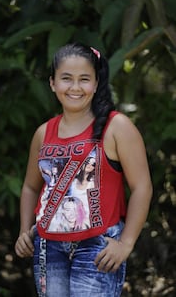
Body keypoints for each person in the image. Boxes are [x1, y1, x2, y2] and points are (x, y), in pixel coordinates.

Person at [14, 43, 152, 296]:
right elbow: (31, 187)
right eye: (66, 79)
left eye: (84, 79)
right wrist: (25, 230)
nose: (75, 87)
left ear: (97, 83)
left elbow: (142, 186)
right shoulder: (43, 133)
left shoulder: (117, 127)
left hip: (98, 245)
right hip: (48, 246)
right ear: (53, 83)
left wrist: (126, 243)